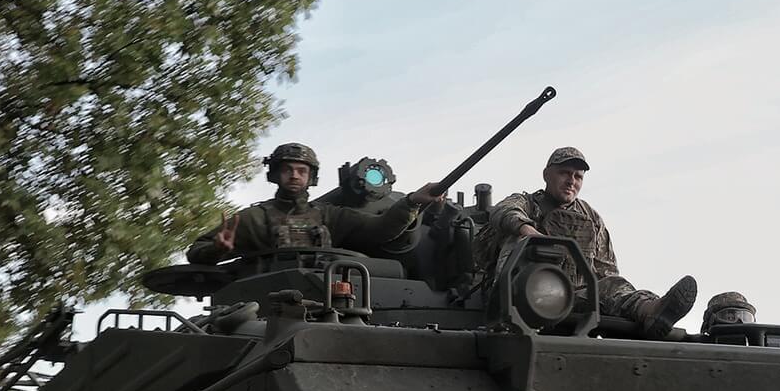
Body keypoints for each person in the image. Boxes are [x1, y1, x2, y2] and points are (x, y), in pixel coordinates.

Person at [477, 146, 697, 339]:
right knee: (517, 236)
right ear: (546, 175)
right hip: (518, 294)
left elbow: (606, 269)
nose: (571, 180)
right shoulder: (526, 203)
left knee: (612, 285)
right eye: (564, 173)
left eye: (578, 176)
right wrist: (529, 231)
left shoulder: (590, 218)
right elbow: (503, 211)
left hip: (570, 297)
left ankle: (651, 310)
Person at [186, 142, 445, 265]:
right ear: (275, 175)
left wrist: (412, 202)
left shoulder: (329, 217)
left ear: (311, 177)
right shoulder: (253, 219)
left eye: (301, 170)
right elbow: (197, 252)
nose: (295, 175)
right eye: (288, 169)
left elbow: (380, 230)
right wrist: (218, 249)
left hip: (331, 304)